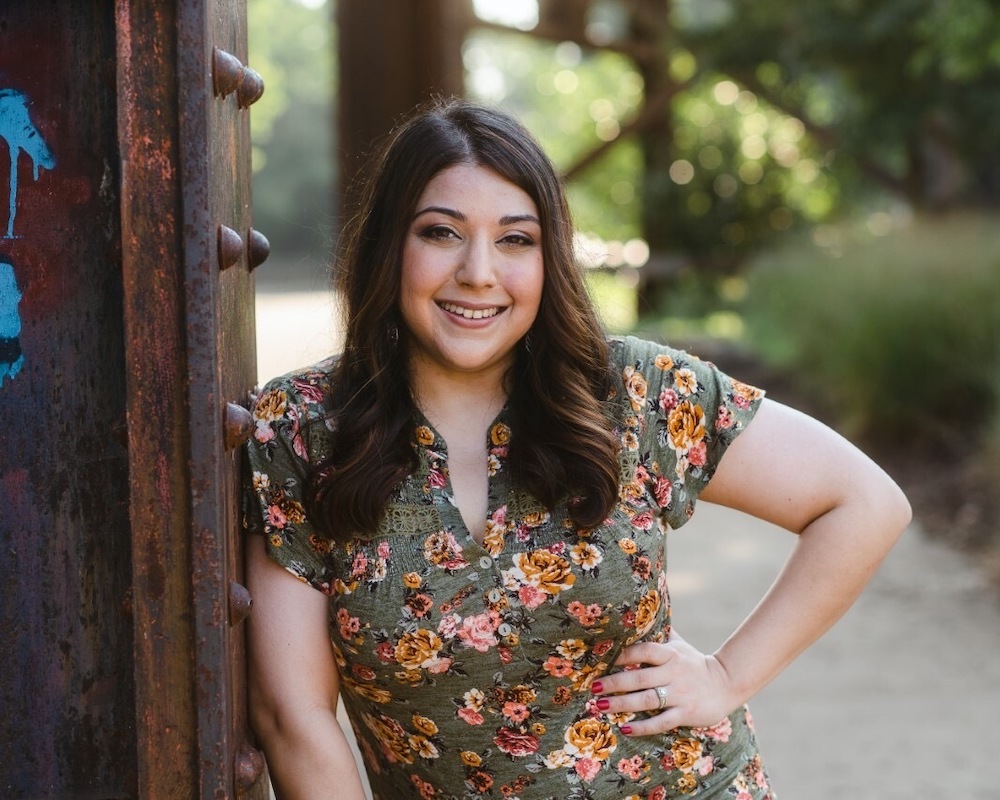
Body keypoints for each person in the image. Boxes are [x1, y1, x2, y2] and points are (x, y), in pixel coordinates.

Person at [243, 98, 911, 800]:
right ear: (388, 245)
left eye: (515, 240)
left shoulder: (635, 392)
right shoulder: (303, 429)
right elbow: (294, 718)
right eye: (441, 233)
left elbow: (864, 501)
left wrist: (726, 677)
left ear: (549, 256)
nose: (478, 272)